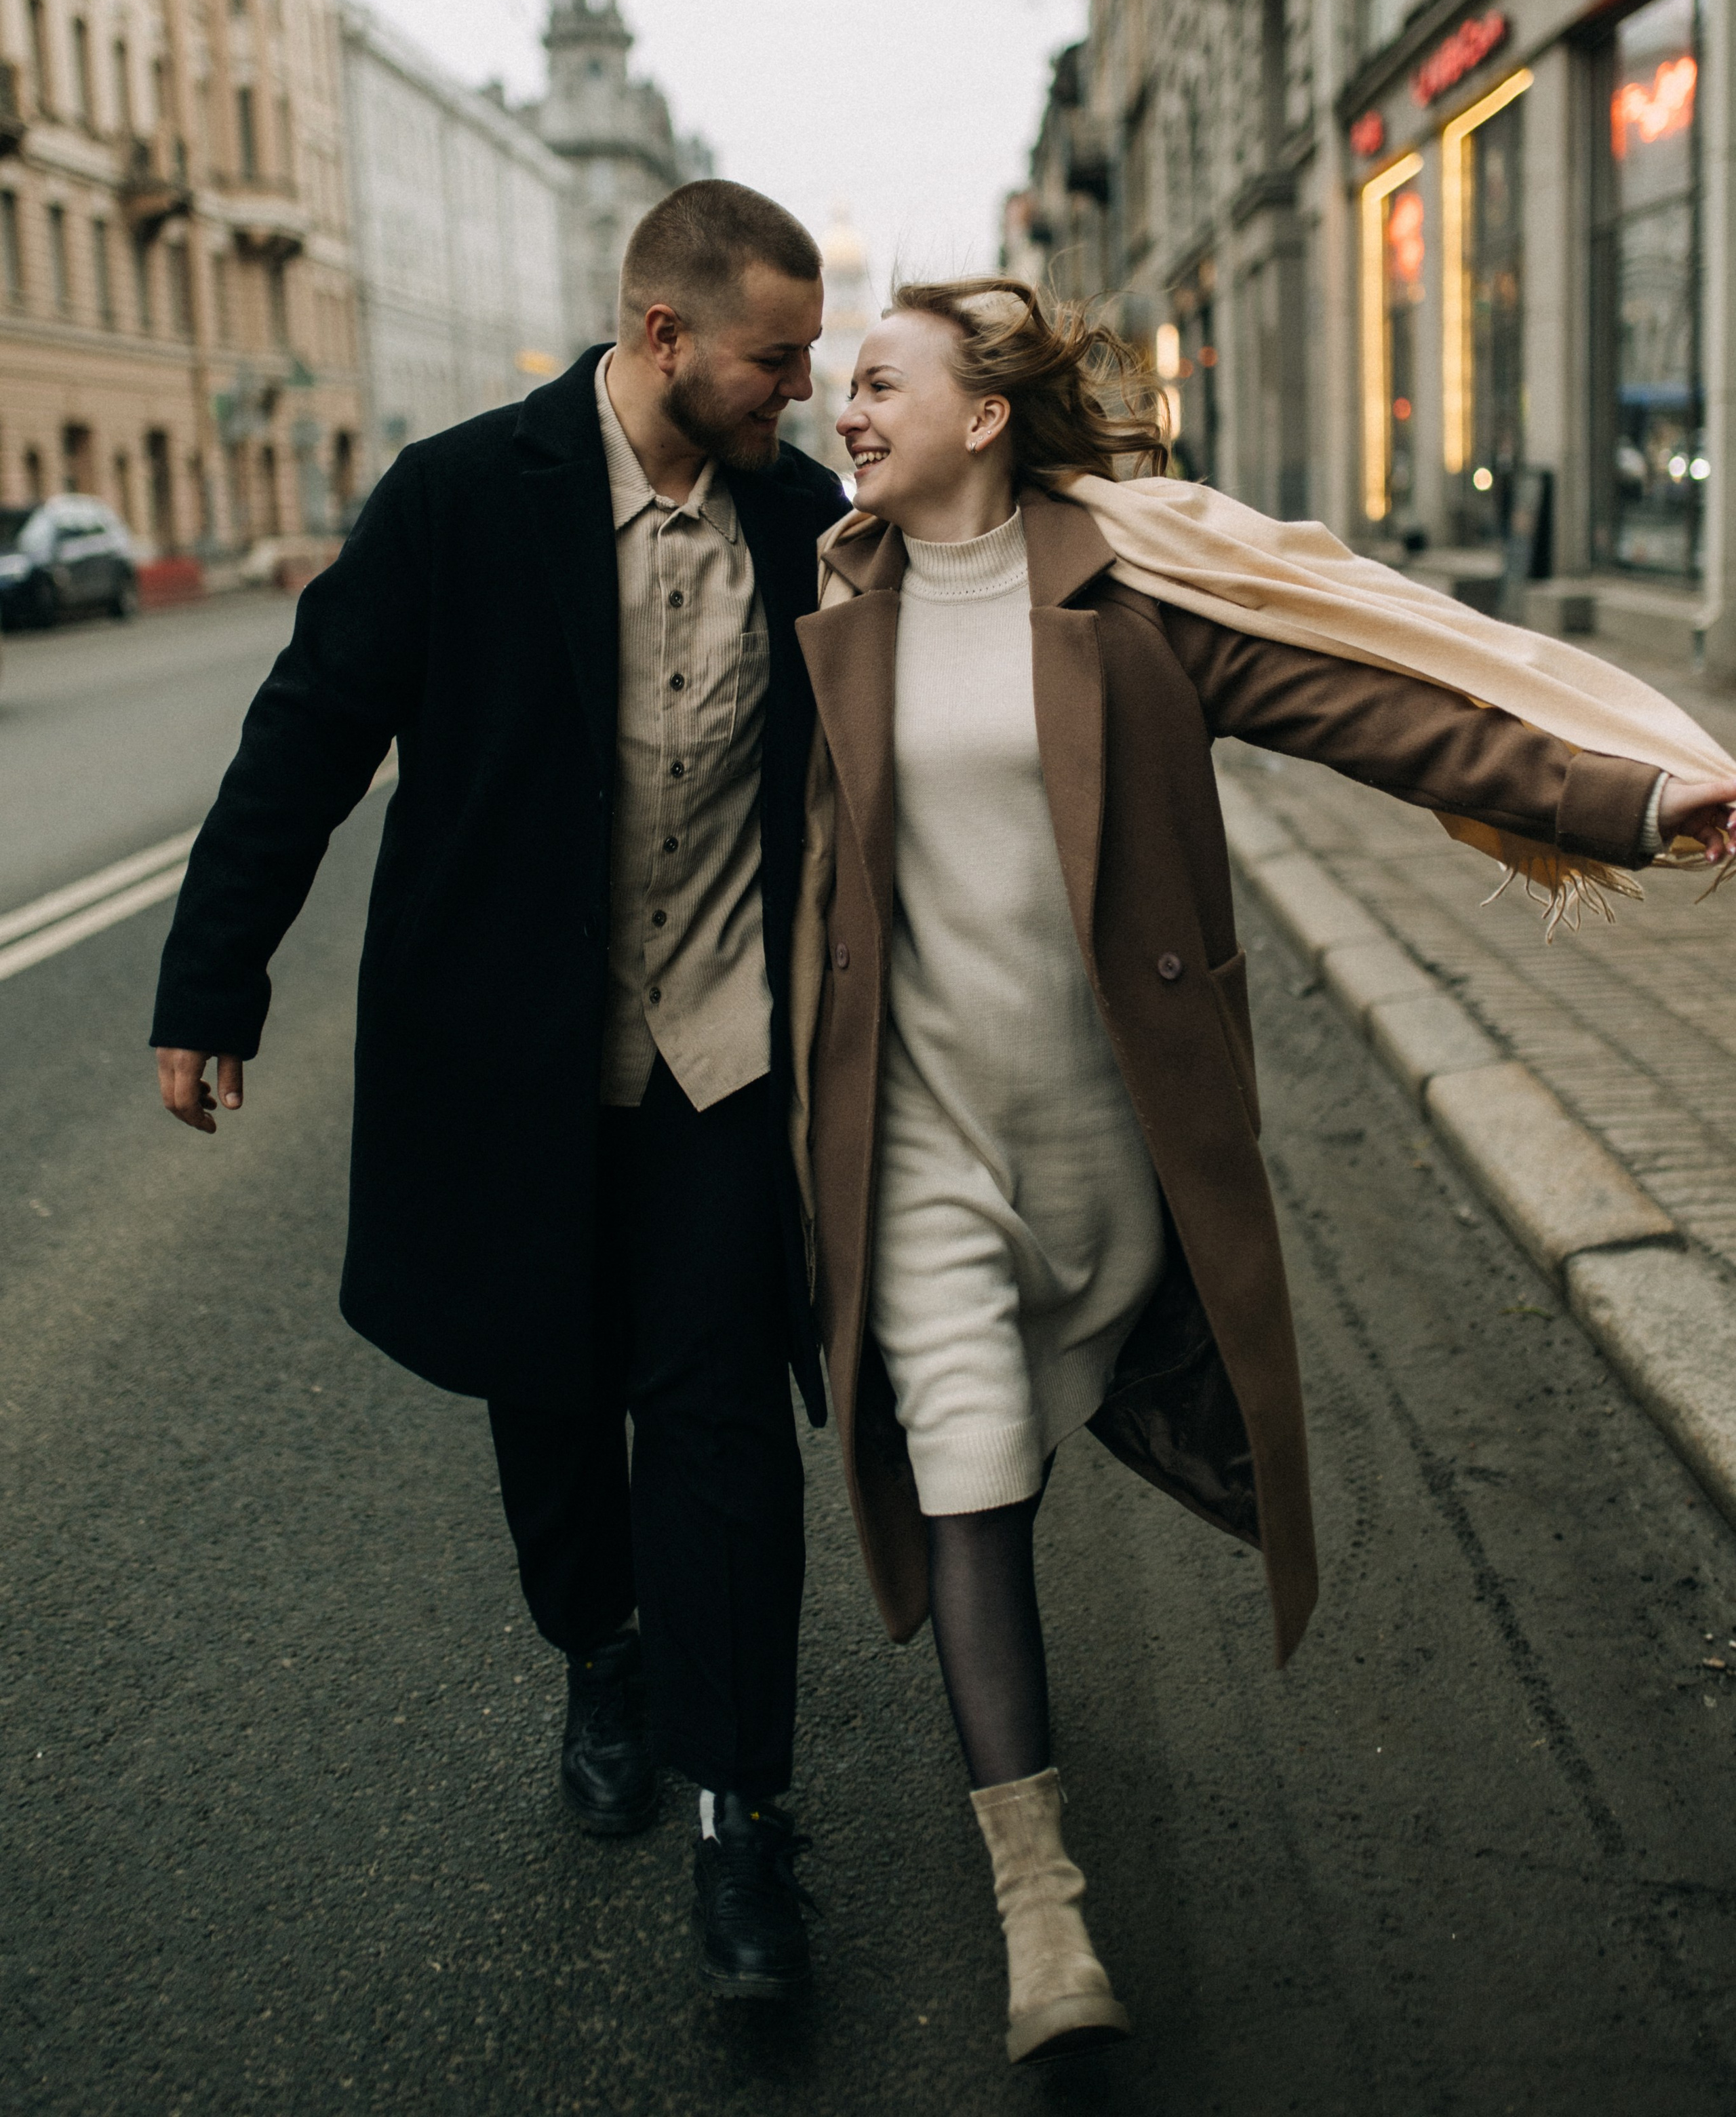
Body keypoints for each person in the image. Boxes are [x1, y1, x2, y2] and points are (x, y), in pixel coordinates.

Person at [790, 278, 1736, 2067]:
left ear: (985, 417)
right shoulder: (842, 608)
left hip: (1108, 1126)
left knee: (1040, 1411)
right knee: (965, 1462)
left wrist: (1627, 803)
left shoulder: (1130, 604)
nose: (850, 410)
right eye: (843, 387)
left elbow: (1374, 718)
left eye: (882, 382)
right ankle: (1039, 1913)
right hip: (915, 1128)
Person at [151, 180, 850, 2002]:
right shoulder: (467, 497)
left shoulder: (805, 521)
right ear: (664, 334)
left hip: (722, 1063)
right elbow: (309, 727)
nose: (804, 381)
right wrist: (212, 978)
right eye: (776, 353)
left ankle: (743, 1818)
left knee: (719, 1430)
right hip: (514, 1058)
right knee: (549, 1401)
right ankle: (601, 1649)